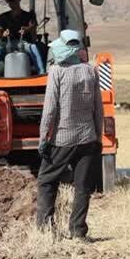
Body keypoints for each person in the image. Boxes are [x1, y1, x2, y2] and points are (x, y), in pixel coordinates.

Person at [36, 29, 103, 240]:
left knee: (46, 181)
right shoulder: (91, 71)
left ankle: (46, 229)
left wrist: (43, 139)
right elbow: (98, 109)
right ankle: (78, 231)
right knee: (83, 186)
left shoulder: (57, 71)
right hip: (88, 138)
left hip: (62, 139)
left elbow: (49, 111)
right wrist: (98, 137)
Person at [0, 0, 45, 75]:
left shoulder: (28, 16)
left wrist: (28, 29)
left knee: (33, 48)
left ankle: (41, 73)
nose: (10, 3)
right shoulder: (3, 17)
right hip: (7, 44)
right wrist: (3, 34)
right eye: (8, 0)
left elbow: (33, 34)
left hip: (23, 43)